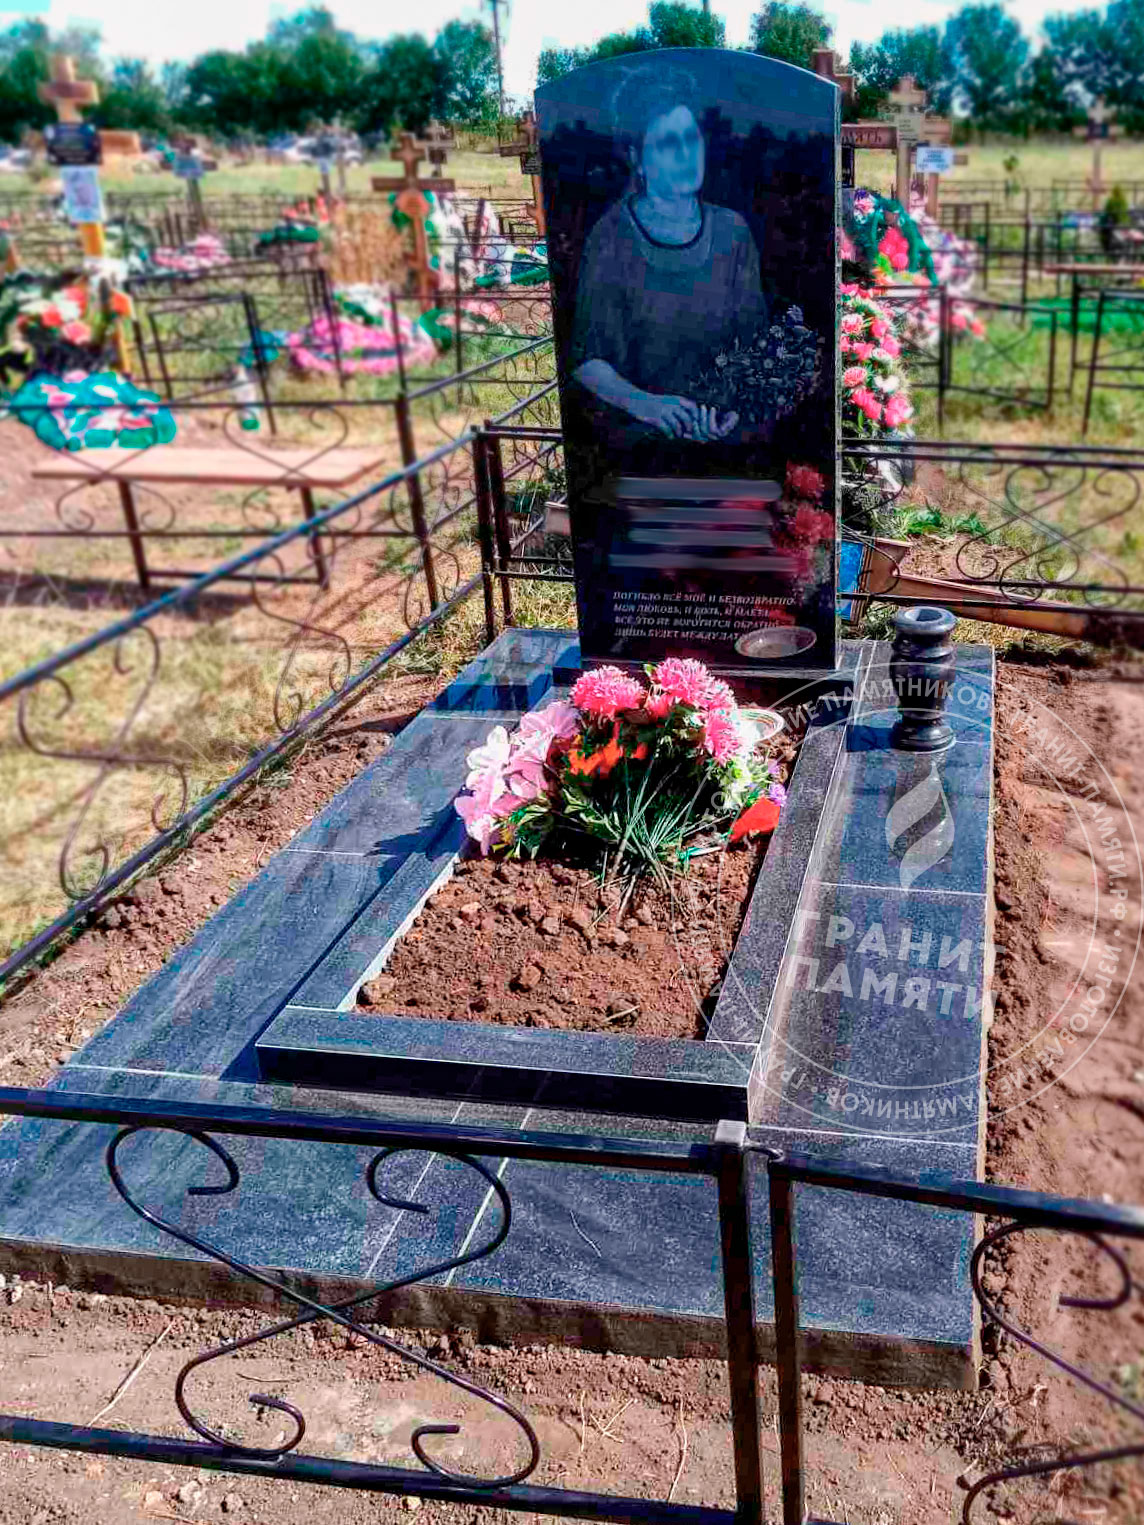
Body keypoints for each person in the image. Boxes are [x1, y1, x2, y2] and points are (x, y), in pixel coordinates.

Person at [569, 65, 769, 447]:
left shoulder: (732, 232)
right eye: (666, 143)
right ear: (638, 159)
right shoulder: (611, 236)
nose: (685, 153)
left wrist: (732, 410)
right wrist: (646, 405)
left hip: (724, 436)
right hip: (639, 440)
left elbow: (754, 346)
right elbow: (586, 360)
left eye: (691, 138)